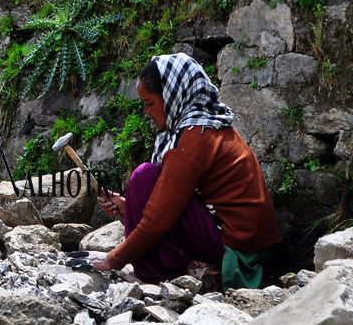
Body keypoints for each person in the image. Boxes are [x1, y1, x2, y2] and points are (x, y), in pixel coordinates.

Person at [90, 52, 281, 290]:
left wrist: (113, 259)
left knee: (144, 177)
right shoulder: (209, 125)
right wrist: (127, 207)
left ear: (171, 97)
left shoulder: (192, 140)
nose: (147, 112)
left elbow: (158, 219)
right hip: (248, 242)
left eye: (150, 103)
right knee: (148, 183)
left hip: (238, 250)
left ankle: (157, 273)